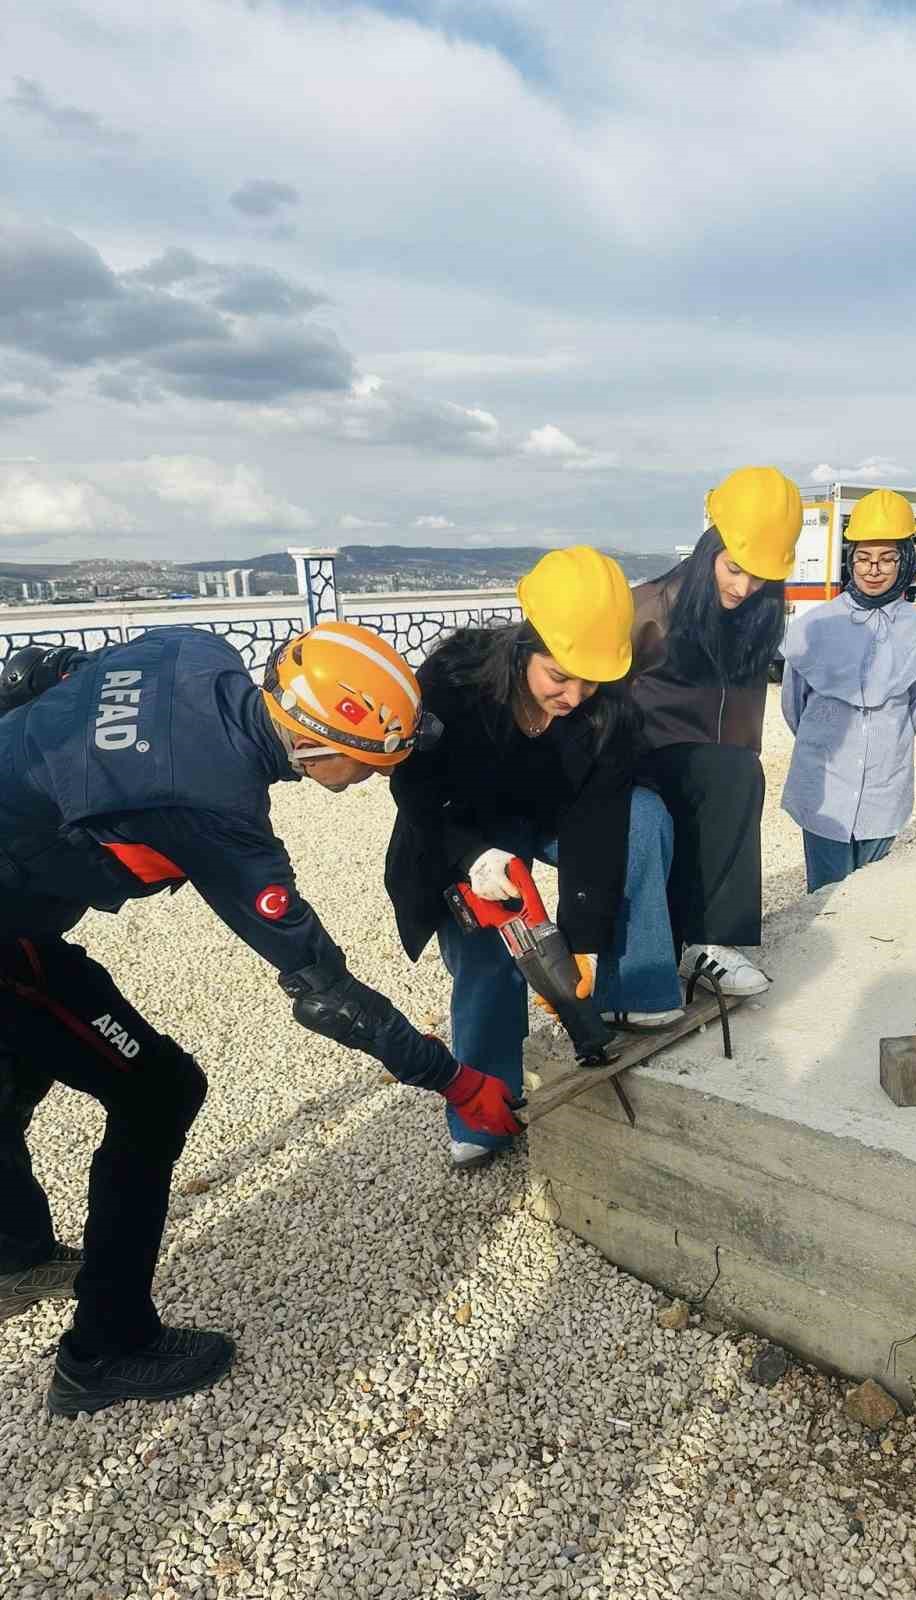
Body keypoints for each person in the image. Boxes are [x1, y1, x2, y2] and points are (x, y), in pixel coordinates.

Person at [0, 622, 518, 1416]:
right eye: (373, 765)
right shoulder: (215, 811)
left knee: (25, 1053)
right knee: (158, 1090)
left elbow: (40, 670)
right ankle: (107, 1348)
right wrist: (452, 1079)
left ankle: (13, 1249)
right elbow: (323, 991)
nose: (375, 779)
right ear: (317, 746)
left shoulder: (188, 649)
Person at [386, 547, 681, 1171]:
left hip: (549, 818)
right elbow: (414, 788)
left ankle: (630, 994)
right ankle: (484, 1109)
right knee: (485, 954)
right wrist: (474, 858)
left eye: (590, 679)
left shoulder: (610, 706)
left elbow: (599, 820)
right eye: (559, 676)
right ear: (524, 648)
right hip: (457, 828)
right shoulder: (454, 680)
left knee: (645, 817)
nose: (575, 695)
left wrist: (579, 941)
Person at [629, 465, 802, 997]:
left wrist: (739, 779)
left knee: (736, 774)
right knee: (721, 777)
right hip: (644, 758)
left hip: (715, 765)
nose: (744, 587)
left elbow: (746, 707)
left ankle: (710, 944)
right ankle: (674, 953)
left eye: (759, 579)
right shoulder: (649, 609)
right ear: (711, 549)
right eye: (734, 569)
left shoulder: (757, 615)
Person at [780, 488, 916, 891]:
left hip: (883, 787)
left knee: (872, 897)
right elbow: (793, 707)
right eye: (863, 559)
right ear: (849, 560)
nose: (874, 570)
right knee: (823, 899)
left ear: (905, 560)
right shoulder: (814, 626)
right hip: (824, 786)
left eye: (887, 559)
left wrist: (882, 742)